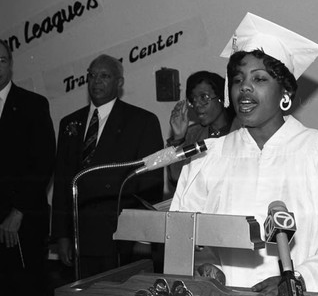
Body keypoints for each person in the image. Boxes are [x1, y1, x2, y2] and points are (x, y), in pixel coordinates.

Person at [170, 13, 318, 295]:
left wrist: (299, 280)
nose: (245, 87)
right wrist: (204, 263)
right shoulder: (207, 160)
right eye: (238, 78)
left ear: (285, 91)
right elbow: (184, 237)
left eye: (260, 79)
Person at [51, 54, 164, 279]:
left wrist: (143, 236)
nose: (96, 82)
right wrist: (62, 236)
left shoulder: (142, 121)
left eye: (104, 76)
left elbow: (151, 182)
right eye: (91, 76)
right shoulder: (69, 123)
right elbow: (63, 181)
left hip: (119, 236)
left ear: (119, 82)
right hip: (79, 235)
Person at [0, 39, 56, 296]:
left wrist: (18, 210)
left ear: (10, 65)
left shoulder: (33, 104)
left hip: (22, 222)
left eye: (1, 60)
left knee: (26, 287)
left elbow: (43, 163)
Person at [166, 70, 237, 191]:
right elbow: (177, 179)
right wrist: (178, 138)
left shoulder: (241, 131)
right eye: (193, 100)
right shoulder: (191, 134)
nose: (197, 104)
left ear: (221, 97)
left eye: (204, 97)